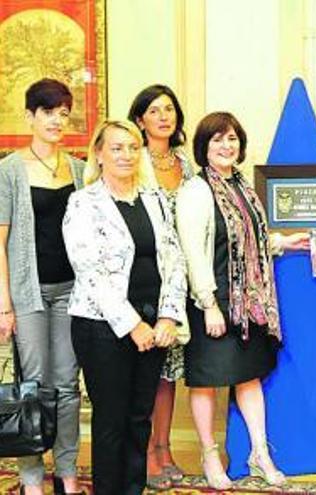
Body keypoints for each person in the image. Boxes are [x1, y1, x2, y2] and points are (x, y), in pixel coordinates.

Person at [176, 111, 309, 489]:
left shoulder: (243, 186)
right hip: (213, 303)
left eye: (232, 138)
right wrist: (208, 304)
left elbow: (251, 240)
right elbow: (193, 253)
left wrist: (284, 242)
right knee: (205, 382)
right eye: (217, 139)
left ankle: (259, 453)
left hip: (248, 304)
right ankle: (209, 454)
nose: (226, 146)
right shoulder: (196, 190)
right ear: (204, 146)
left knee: (248, 378)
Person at [62, 120, 188, 495]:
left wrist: (167, 315)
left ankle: (133, 489)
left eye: (133, 147)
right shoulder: (84, 203)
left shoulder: (154, 199)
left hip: (154, 326)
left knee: (139, 419)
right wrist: (133, 325)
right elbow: (90, 272)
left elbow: (174, 259)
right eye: (116, 148)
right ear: (99, 154)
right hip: (102, 327)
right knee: (112, 421)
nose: (126, 155)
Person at [0, 79, 85, 495]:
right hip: (28, 293)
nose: (56, 120)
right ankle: (31, 476)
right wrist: (4, 306)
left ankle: (66, 471)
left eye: (63, 113)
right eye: (48, 111)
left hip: (73, 291)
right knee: (33, 385)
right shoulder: (9, 170)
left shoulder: (80, 170)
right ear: (30, 116)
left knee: (67, 384)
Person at [128, 83, 196, 490]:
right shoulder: (134, 162)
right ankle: (146, 457)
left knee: (170, 373)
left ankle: (164, 447)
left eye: (169, 108)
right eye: (154, 111)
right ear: (140, 120)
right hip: (144, 278)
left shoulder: (186, 164)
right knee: (147, 372)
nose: (163, 116)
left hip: (179, 279)